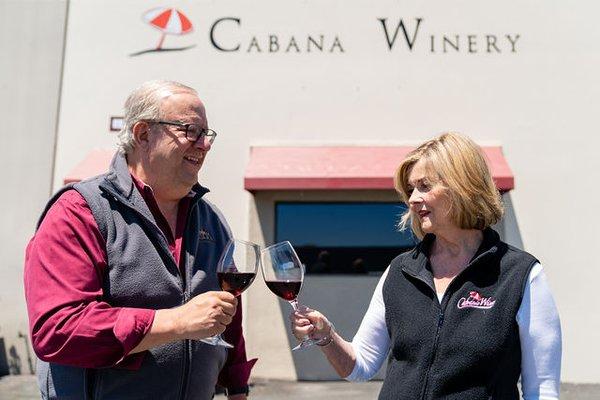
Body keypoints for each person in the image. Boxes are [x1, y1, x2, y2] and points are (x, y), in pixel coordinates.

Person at [24, 80, 256, 399]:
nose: (204, 144)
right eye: (190, 130)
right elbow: (58, 331)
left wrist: (237, 388)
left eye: (207, 134)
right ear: (143, 133)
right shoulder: (80, 211)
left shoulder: (212, 220)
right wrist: (176, 322)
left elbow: (229, 320)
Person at [291, 132, 561, 399]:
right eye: (410, 189)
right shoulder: (400, 271)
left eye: (424, 186)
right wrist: (326, 336)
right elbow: (360, 366)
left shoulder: (520, 274)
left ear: (462, 186)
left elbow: (543, 390)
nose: (412, 199)